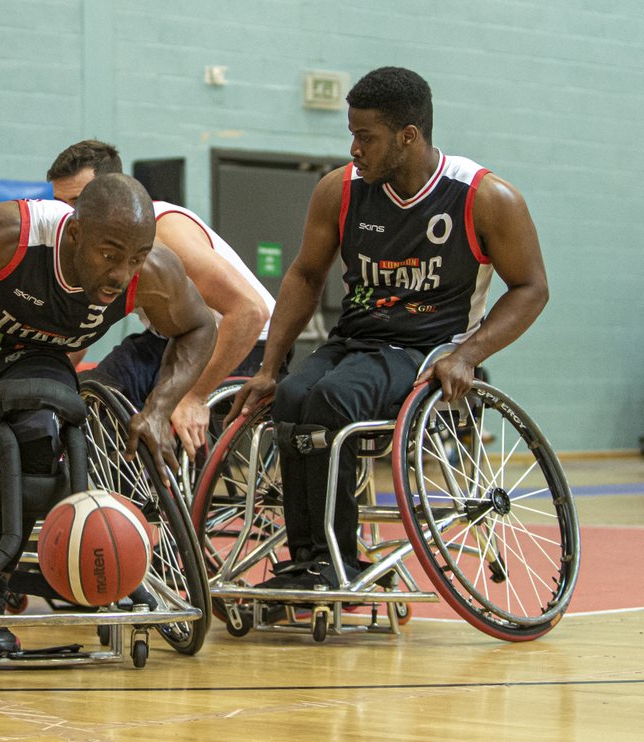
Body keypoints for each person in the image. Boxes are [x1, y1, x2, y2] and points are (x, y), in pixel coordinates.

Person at [229, 66, 549, 589]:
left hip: (428, 349)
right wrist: (268, 367)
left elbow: (532, 287)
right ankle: (310, 557)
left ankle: (337, 561)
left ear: (408, 136)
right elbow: (306, 274)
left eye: (365, 137)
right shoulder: (340, 190)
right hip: (356, 340)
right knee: (291, 396)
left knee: (331, 402)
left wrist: (468, 354)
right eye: (351, 135)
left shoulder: (484, 197)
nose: (354, 148)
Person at [0, 173, 215, 655]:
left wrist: (160, 408)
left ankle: (63, 570)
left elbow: (200, 325)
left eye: (135, 258)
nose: (122, 273)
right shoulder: (10, 235)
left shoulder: (150, 272)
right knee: (30, 433)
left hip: (41, 360)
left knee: (49, 436)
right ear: (75, 234)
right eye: (110, 254)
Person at [47, 140, 277, 457]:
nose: (69, 216)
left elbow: (250, 311)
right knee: (88, 396)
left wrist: (194, 396)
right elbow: (80, 330)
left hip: (245, 340)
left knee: (172, 416)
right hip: (169, 338)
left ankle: (169, 496)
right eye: (60, 204)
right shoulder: (87, 244)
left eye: (77, 202)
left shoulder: (164, 229)